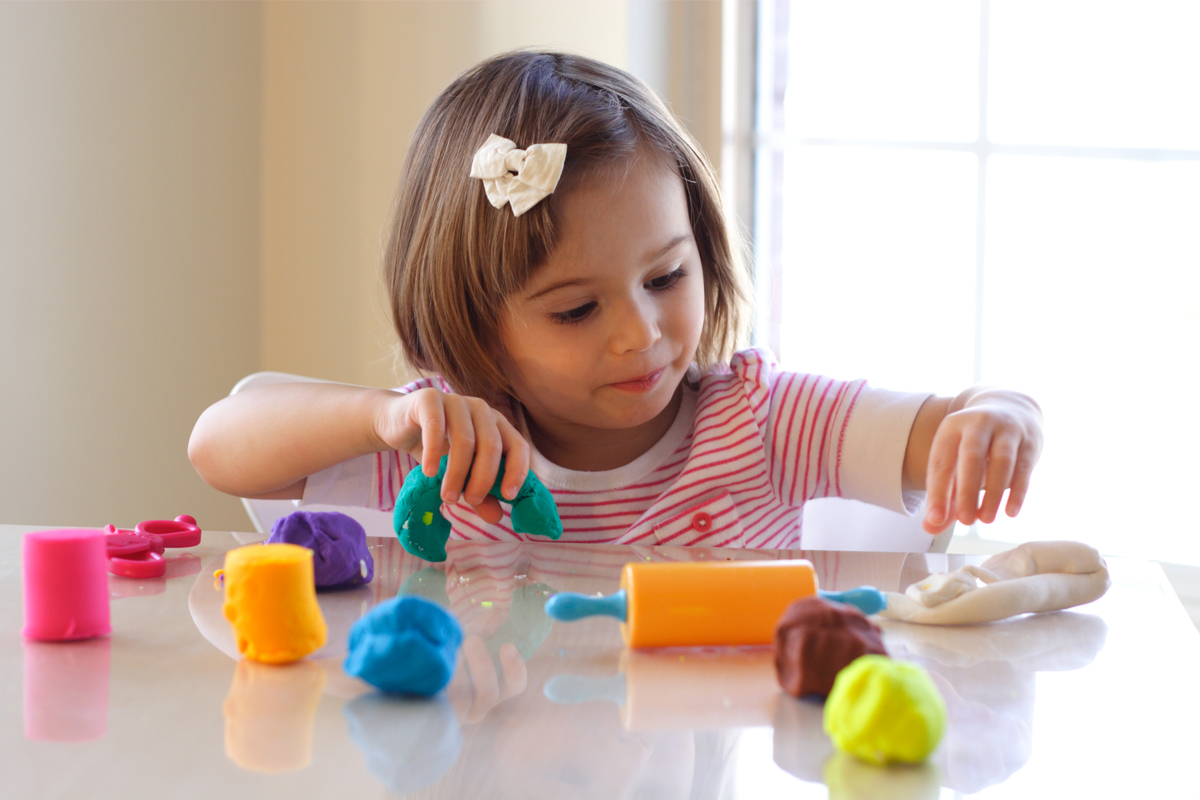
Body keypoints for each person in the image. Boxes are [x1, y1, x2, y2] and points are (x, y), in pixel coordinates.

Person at [188, 50, 1042, 550]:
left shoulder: (761, 423)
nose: (642, 335)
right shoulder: (445, 447)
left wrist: (1001, 414)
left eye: (666, 278)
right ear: (477, 327)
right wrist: (383, 417)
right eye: (575, 310)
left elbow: (947, 426)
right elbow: (218, 445)